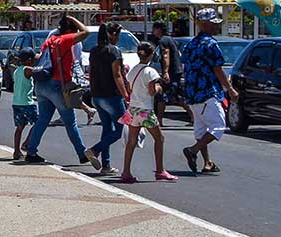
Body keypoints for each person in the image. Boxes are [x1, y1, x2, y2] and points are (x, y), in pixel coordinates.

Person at [23, 15, 92, 165]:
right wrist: (73, 19)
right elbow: (86, 32)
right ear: (68, 30)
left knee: (43, 120)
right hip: (57, 85)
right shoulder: (64, 40)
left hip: (42, 84)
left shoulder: (50, 41)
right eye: (73, 31)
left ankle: (31, 151)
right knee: (70, 122)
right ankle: (82, 153)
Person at [180, 9, 237, 175]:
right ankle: (193, 150)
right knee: (219, 126)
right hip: (207, 92)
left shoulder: (190, 44)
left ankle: (207, 162)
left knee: (201, 129)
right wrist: (230, 89)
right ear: (205, 25)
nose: (216, 27)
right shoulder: (211, 44)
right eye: (214, 24)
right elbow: (217, 69)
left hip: (192, 93)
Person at [120, 42, 178, 183]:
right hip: (145, 110)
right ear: (151, 54)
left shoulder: (133, 70)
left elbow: (129, 89)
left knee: (131, 141)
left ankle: (126, 171)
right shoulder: (150, 71)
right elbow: (152, 91)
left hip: (133, 109)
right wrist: (159, 88)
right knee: (159, 138)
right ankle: (160, 170)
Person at [85, 23, 128, 176]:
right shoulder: (113, 51)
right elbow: (117, 76)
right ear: (113, 34)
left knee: (107, 129)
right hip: (112, 96)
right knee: (120, 130)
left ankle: (106, 165)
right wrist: (126, 95)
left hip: (96, 96)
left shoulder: (94, 51)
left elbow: (91, 72)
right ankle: (94, 150)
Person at [152, 21, 193, 127]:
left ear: (159, 29)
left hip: (171, 72)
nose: (153, 31)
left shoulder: (163, 40)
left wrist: (165, 72)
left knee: (164, 96)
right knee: (177, 97)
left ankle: (159, 120)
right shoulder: (171, 40)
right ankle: (193, 117)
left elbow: (166, 55)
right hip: (177, 71)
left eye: (154, 29)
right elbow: (179, 55)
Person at [10, 48, 38, 161]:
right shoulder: (28, 69)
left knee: (19, 127)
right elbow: (40, 72)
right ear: (29, 60)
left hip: (16, 102)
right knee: (38, 124)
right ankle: (27, 143)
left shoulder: (17, 70)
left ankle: (16, 151)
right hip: (27, 103)